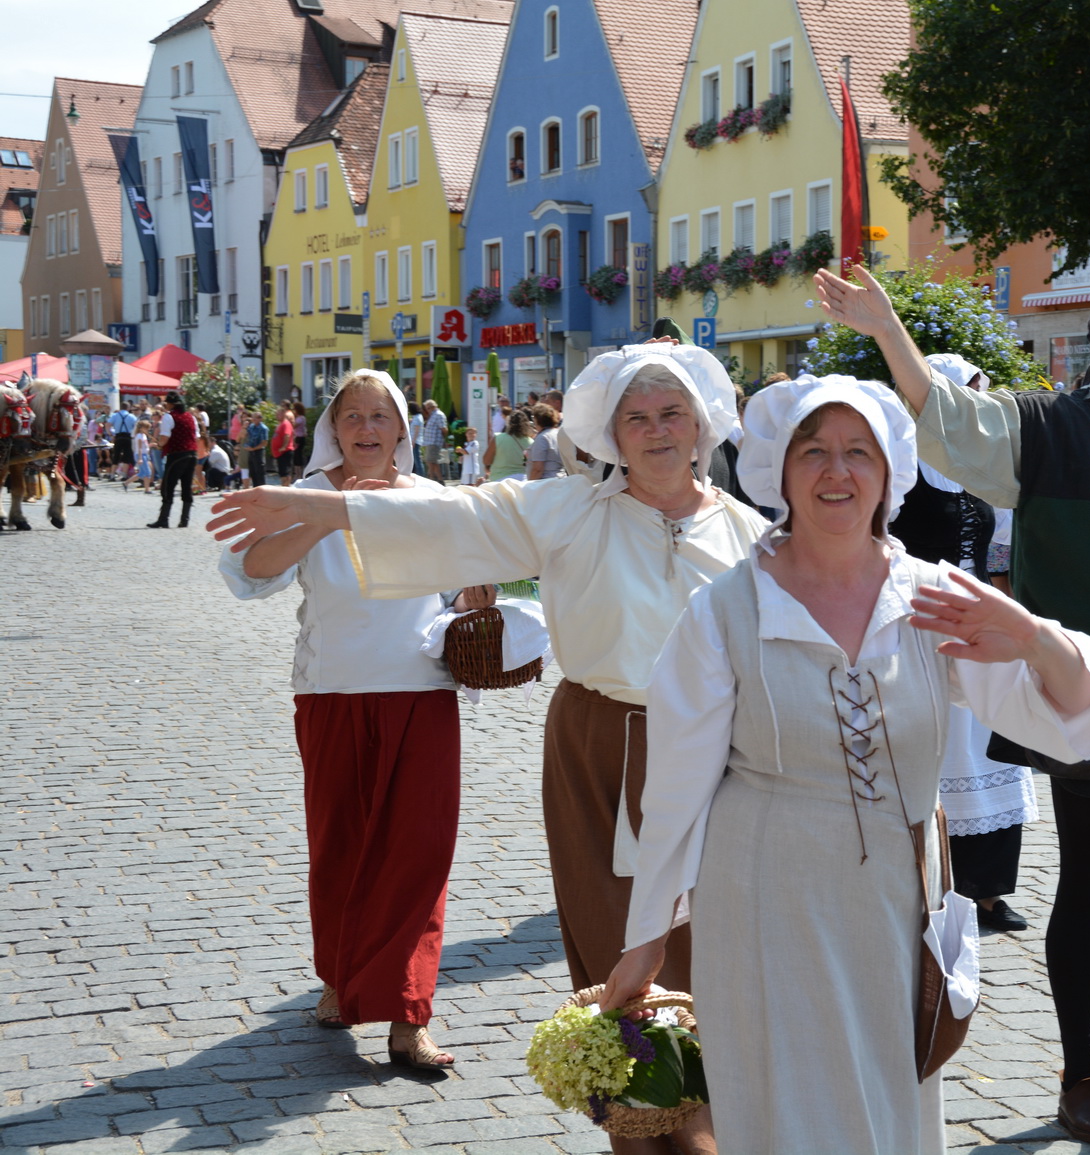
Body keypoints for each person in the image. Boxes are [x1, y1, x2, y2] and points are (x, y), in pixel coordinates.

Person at [208, 343, 761, 1155]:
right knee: (613, 941)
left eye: (671, 413)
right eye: (635, 417)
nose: (655, 431)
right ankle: (643, 1133)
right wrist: (325, 508)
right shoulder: (570, 507)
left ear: (703, 423)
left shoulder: (749, 532)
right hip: (601, 745)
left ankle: (713, 1119)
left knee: (710, 943)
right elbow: (460, 517)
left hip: (716, 752)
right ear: (610, 432)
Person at [814, 247, 1090, 1144]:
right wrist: (886, 329)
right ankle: (1078, 1074)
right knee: (1084, 888)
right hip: (1078, 691)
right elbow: (945, 420)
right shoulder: (1050, 428)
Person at [602, 374, 1090, 1154]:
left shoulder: (935, 599)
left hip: (891, 903)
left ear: (889, 474)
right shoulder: (726, 610)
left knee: (885, 1105)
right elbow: (675, 786)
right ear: (779, 470)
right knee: (786, 1108)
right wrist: (645, 945)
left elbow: (1077, 726)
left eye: (857, 453)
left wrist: (1034, 637)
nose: (835, 472)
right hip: (761, 895)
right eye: (813, 451)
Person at [212, 369, 487, 1070]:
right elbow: (250, 573)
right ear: (333, 429)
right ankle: (338, 976)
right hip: (332, 692)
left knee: (419, 851)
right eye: (351, 416)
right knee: (342, 842)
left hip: (422, 693)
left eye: (379, 415)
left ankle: (406, 1015)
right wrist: (329, 511)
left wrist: (479, 595)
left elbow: (466, 593)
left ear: (403, 429)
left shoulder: (434, 500)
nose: (366, 428)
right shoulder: (305, 493)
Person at [890, 353, 1041, 935]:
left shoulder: (984, 470)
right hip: (920, 623)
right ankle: (932, 887)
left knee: (992, 752)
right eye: (969, 393)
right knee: (936, 754)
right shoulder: (904, 464)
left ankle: (988, 892)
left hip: (981, 623)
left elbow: (1001, 553)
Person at [148, 392, 199, 529]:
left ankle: (163, 519)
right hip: (192, 454)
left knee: (167, 487)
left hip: (177, 455)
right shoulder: (191, 417)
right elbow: (197, 437)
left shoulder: (169, 417)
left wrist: (158, 445)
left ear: (171, 404)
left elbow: (164, 439)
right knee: (186, 487)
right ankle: (184, 520)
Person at [484, 408, 534, 483]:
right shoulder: (531, 442)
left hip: (499, 479)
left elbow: (486, 460)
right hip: (522, 480)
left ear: (509, 422)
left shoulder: (498, 438)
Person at [524, 404, 564, 481]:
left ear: (537, 419)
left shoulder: (542, 437)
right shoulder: (558, 434)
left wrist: (529, 486)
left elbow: (538, 469)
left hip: (546, 483)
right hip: (561, 479)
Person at [109, 404, 137, 487]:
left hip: (118, 436)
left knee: (116, 455)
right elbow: (136, 426)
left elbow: (108, 424)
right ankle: (124, 475)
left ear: (120, 408)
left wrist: (110, 433)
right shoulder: (131, 416)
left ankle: (112, 475)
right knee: (127, 456)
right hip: (128, 437)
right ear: (128, 408)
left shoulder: (115, 415)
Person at [418, 400, 447, 481]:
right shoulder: (433, 415)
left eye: (428, 408)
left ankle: (431, 479)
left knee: (430, 461)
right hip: (430, 442)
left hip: (434, 442)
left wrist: (443, 439)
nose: (427, 410)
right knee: (432, 462)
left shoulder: (439, 415)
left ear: (434, 407)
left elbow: (443, 429)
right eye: (426, 408)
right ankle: (439, 480)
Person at [271, 404, 297, 484]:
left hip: (285, 451)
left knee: (286, 472)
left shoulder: (286, 424)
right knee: (282, 472)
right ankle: (284, 487)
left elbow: (287, 435)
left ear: (283, 414)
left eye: (278, 414)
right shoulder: (280, 424)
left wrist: (284, 446)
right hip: (279, 453)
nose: (277, 415)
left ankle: (286, 489)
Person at [245, 410, 270, 490]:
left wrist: (253, 448)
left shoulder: (263, 428)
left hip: (258, 451)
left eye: (256, 418)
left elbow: (264, 443)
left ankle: (262, 490)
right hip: (251, 452)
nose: (254, 420)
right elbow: (245, 435)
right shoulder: (251, 426)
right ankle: (255, 489)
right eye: (253, 418)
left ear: (260, 419)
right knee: (253, 472)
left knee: (260, 472)